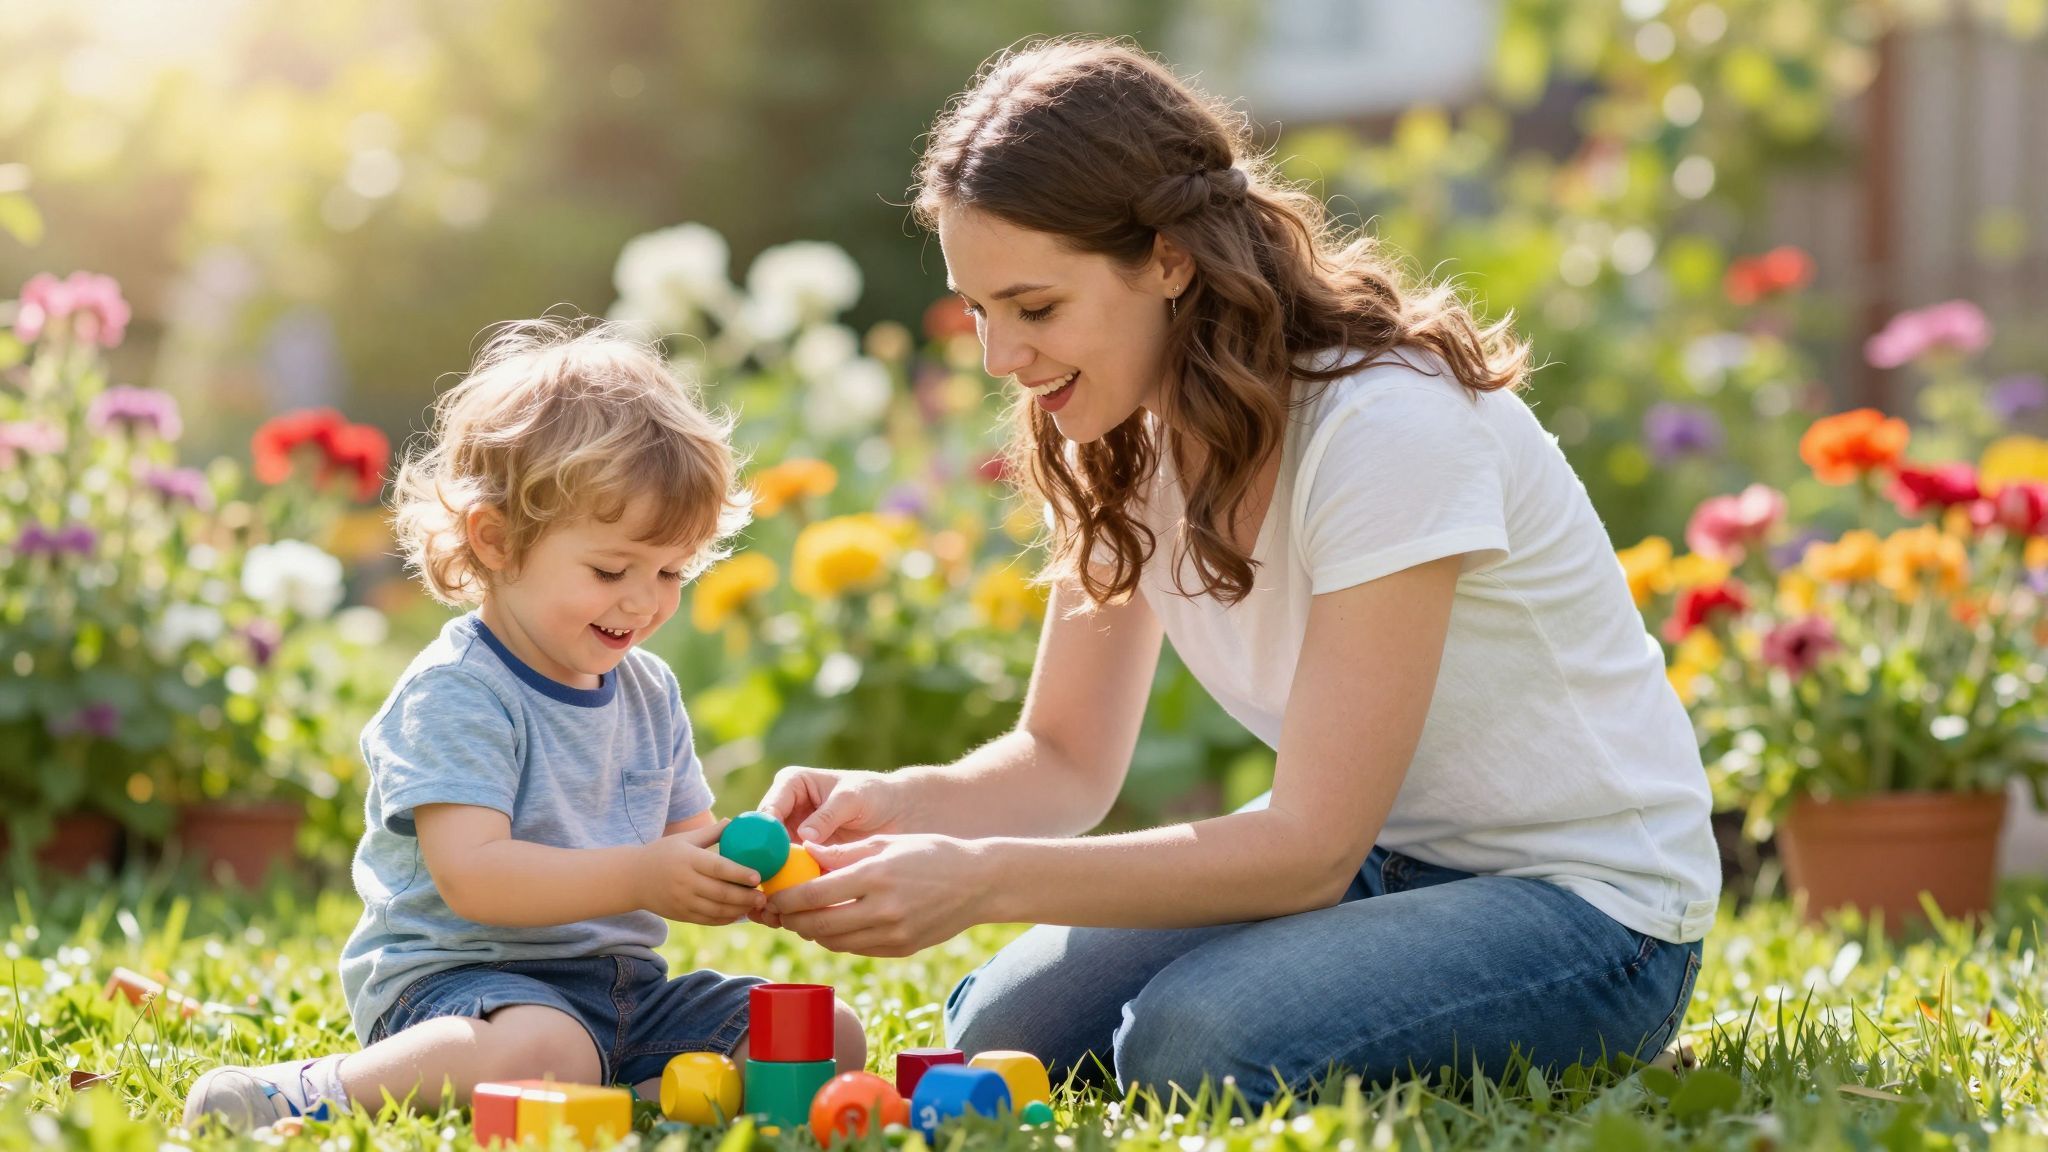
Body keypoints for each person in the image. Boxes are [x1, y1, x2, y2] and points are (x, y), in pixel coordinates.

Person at [758, 38, 1716, 1103]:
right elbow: (1066, 755)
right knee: (1004, 1026)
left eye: (1034, 308)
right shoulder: (1118, 432)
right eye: (979, 310)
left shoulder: (1384, 426)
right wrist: (895, 805)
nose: (998, 359)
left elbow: (1305, 848)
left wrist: (978, 878)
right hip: (1378, 867)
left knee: (1192, 1044)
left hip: (1582, 907)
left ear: (1167, 258)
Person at [183, 319, 865, 1131]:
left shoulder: (649, 689)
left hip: (622, 994)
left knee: (827, 1032)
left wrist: (756, 871)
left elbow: (687, 841)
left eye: (670, 571)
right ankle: (302, 1091)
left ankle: (627, 1102)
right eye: (611, 569)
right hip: (463, 988)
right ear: (498, 540)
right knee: (548, 1051)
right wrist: (643, 876)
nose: (643, 600)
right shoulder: (459, 693)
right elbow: (478, 876)